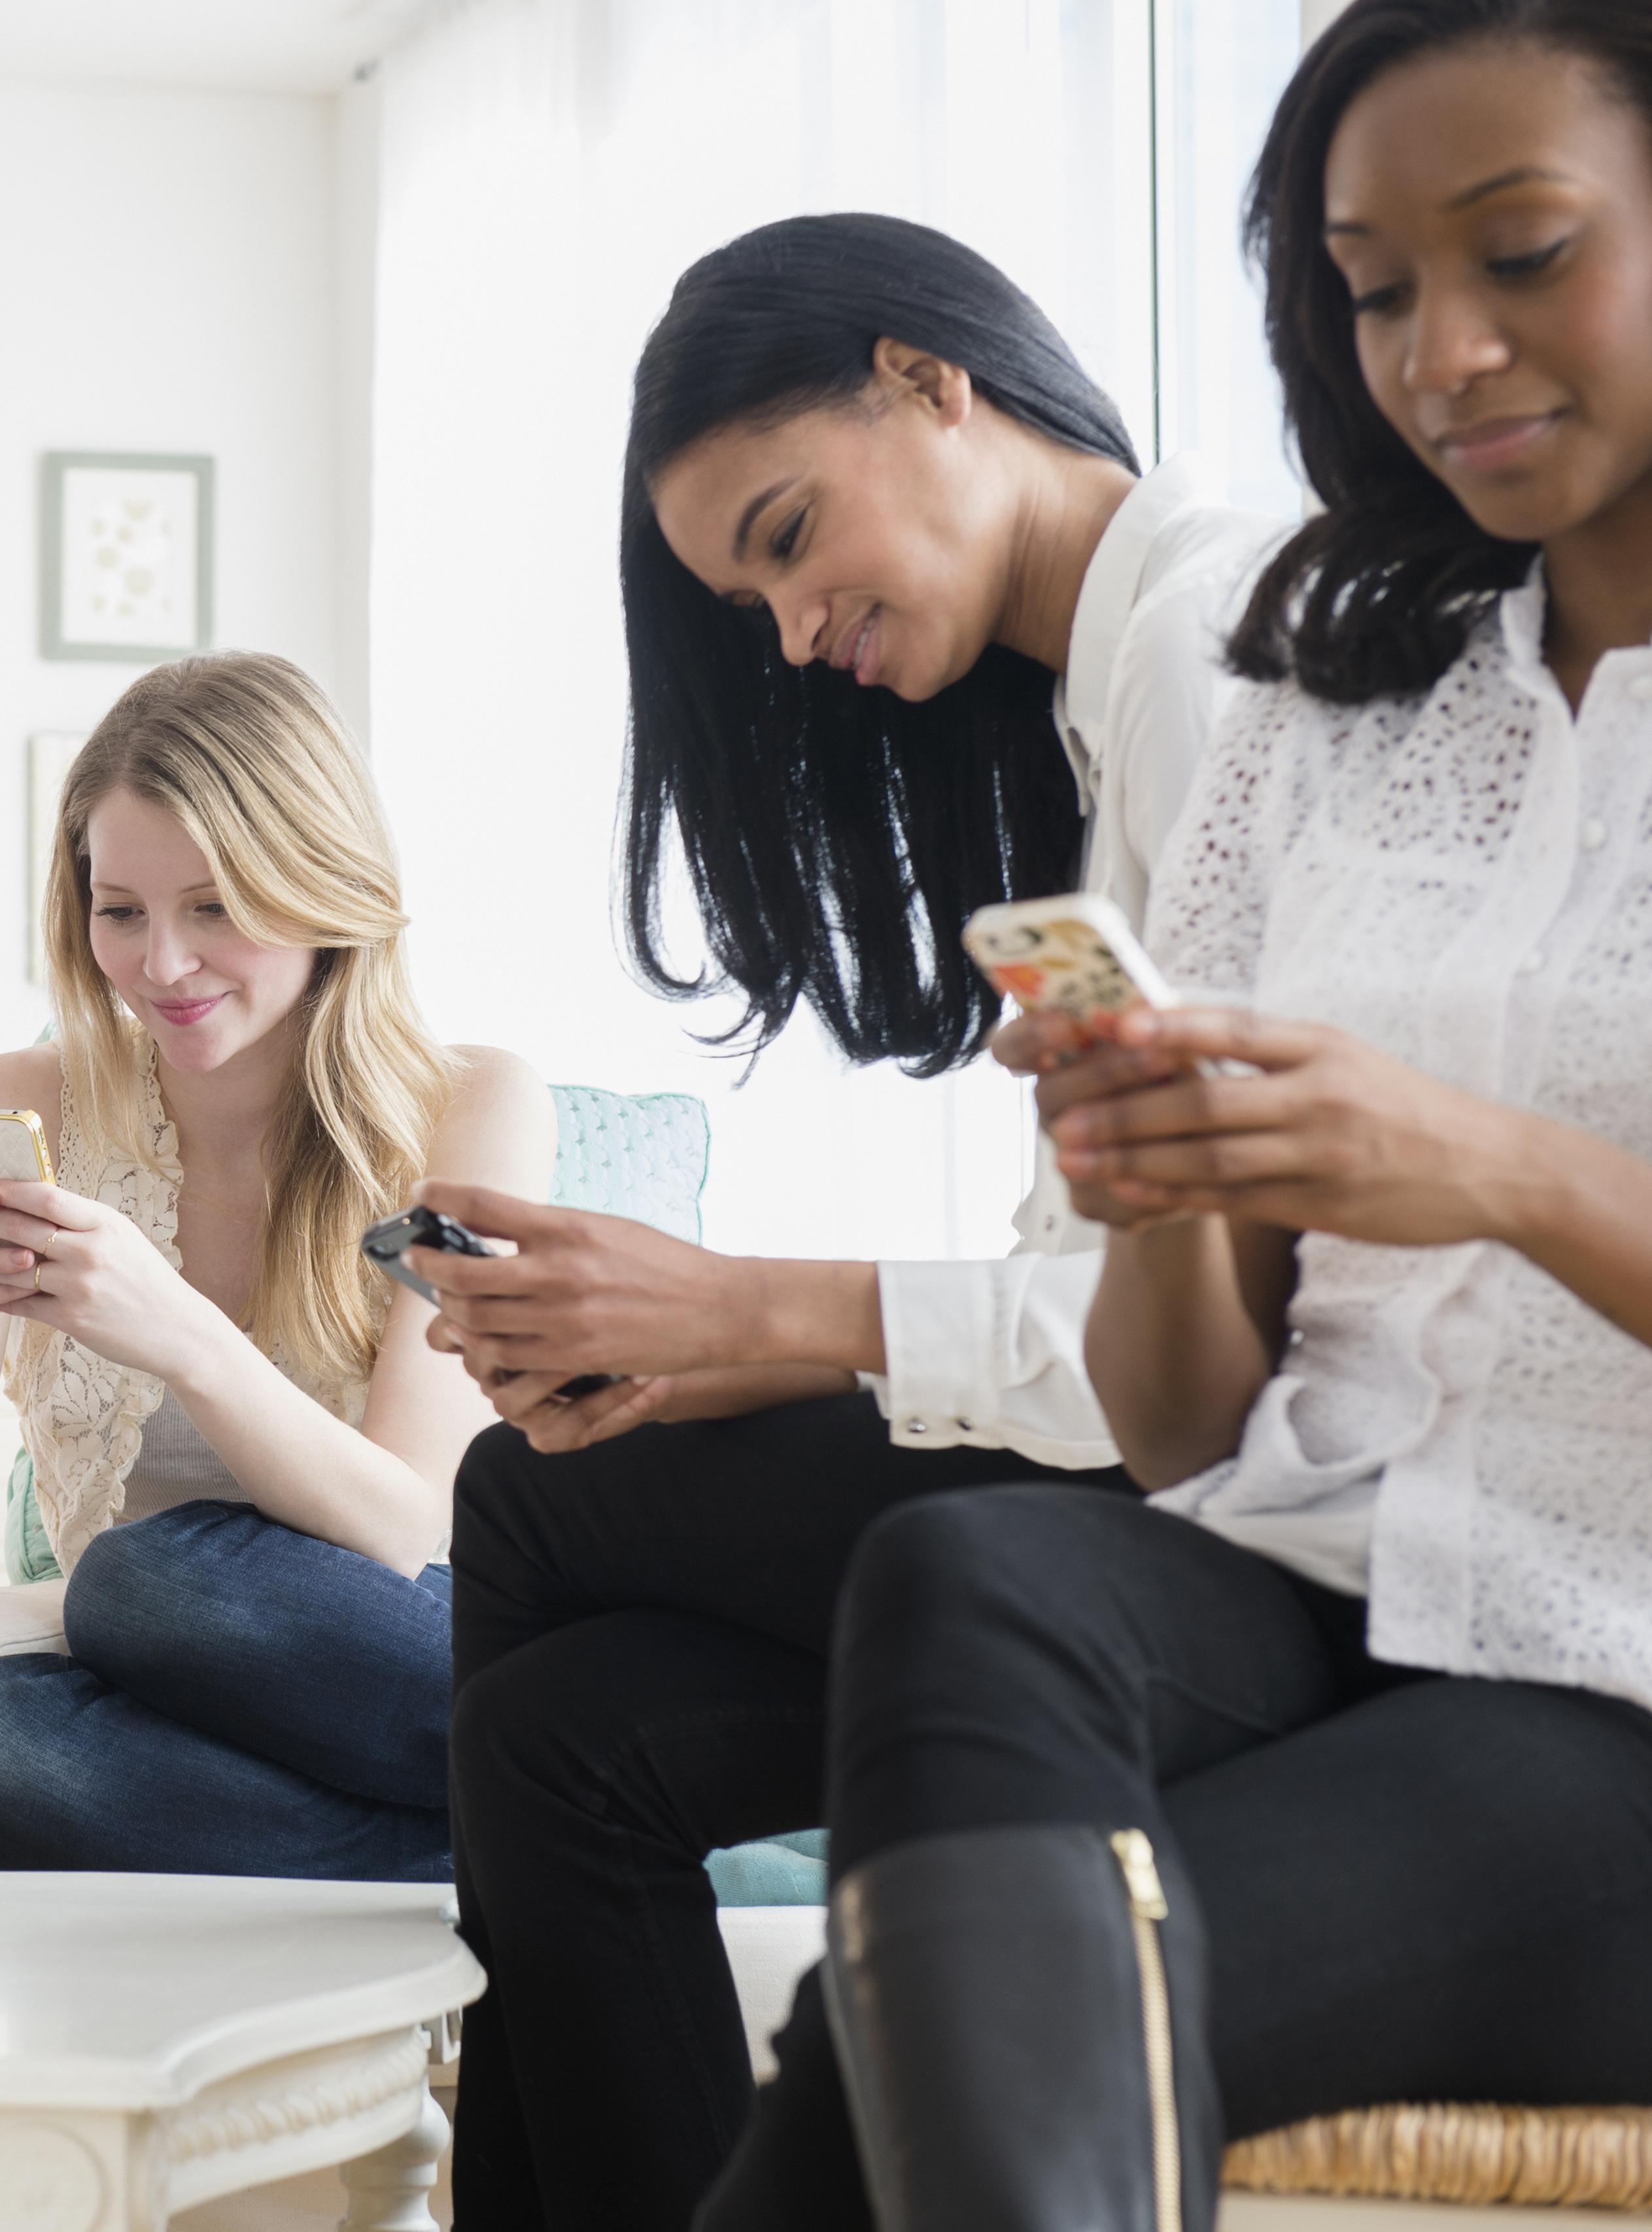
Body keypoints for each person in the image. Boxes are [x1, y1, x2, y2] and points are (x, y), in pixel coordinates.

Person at [695, 6, 1652, 2223]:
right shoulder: (1337, 699)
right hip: (1305, 1588)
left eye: (1517, 253)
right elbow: (1176, 1434)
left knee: (891, 2043)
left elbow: (1474, 1174)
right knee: (964, 1565)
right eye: (1373, 285)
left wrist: (1489, 1173)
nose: (1437, 352)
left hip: (1611, 1692)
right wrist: (1150, 1186)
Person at [421, 213, 1288, 2227]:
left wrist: (747, 1314)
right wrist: (733, 1325)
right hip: (1152, 1475)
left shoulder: (1195, 646)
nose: (796, 624)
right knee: (562, 1743)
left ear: (927, 376)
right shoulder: (1098, 702)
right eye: (755, 598)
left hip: (1225, 1511)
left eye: (791, 534)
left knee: (525, 1512)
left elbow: (1189, 1350)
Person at [0, 652, 553, 1879]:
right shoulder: (14, 1103)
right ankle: (471, 1859)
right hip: (178, 1702)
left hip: (394, 1646)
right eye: (122, 912)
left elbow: (411, 1523)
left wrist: (176, 1331)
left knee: (150, 1577)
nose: (163, 964)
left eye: (215, 906)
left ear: (319, 883)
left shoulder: (469, 1106)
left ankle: (539, 1798)